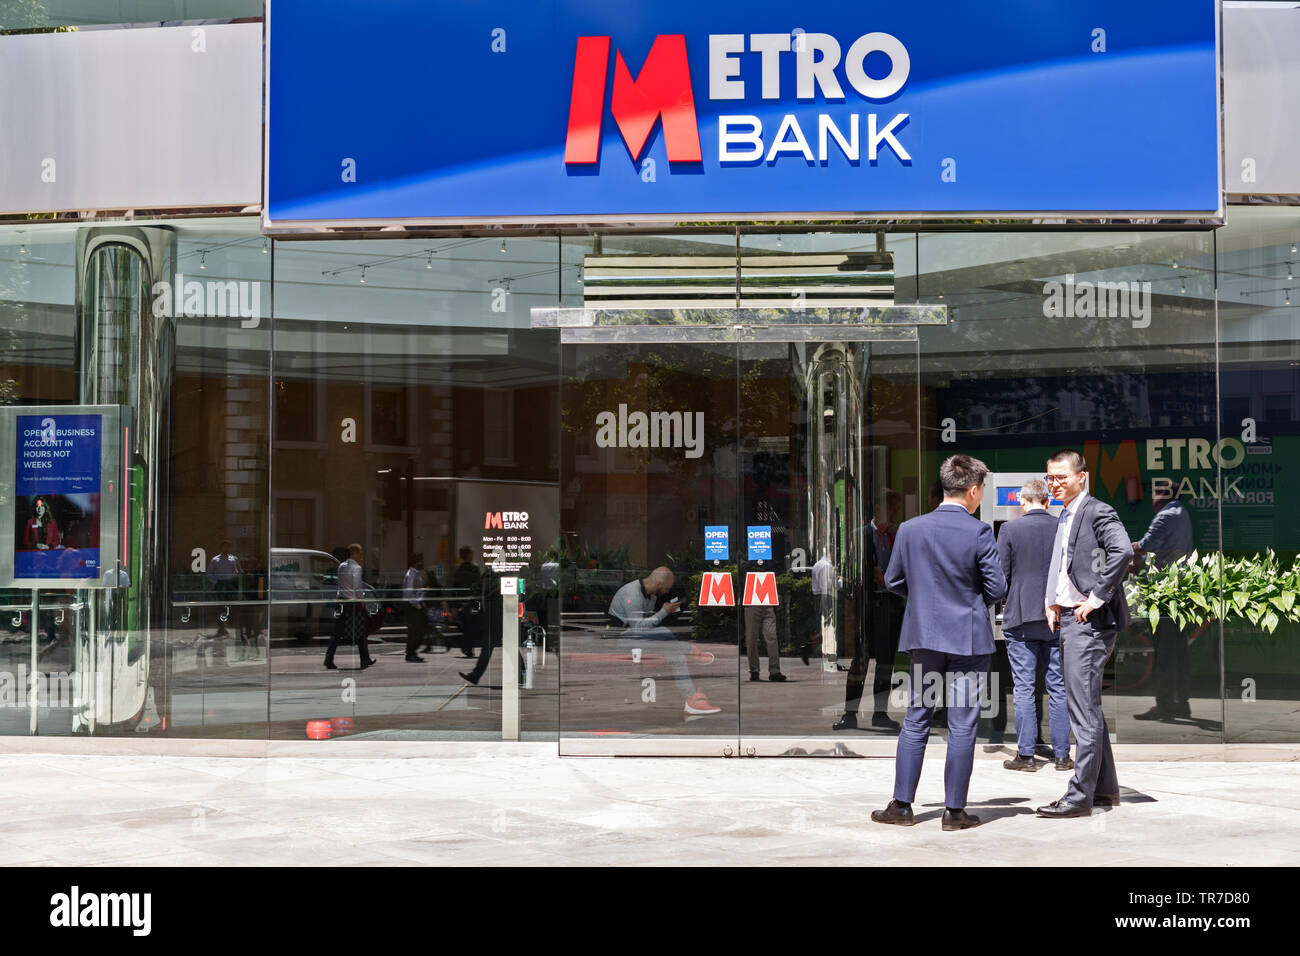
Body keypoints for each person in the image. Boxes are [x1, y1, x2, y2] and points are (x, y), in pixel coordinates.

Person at [871, 455, 1007, 831]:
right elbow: (997, 588)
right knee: (962, 725)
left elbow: (894, 579)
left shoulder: (911, 529)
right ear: (974, 490)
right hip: (968, 639)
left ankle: (901, 805)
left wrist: (924, 598)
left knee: (916, 719)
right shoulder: (979, 533)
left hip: (925, 637)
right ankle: (954, 811)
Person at [1037, 449, 1131, 818]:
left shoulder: (1097, 510)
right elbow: (1061, 563)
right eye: (1050, 478)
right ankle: (1104, 790)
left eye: (1061, 477)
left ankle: (1079, 798)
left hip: (1088, 624)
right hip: (1068, 619)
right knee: (1087, 708)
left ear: (1081, 477)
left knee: (1083, 712)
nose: (1055, 483)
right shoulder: (1064, 514)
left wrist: (1095, 598)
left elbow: (1122, 551)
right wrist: (1051, 599)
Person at [996, 478, 1072, 772]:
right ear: (1048, 501)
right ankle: (1063, 756)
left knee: (1024, 687)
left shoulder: (1010, 529)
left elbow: (1001, 575)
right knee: (1058, 687)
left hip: (1021, 617)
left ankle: (1026, 756)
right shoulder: (1061, 527)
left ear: (1022, 502)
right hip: (1057, 616)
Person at [605, 567, 720, 717]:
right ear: (659, 584)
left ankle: (691, 697)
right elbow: (638, 628)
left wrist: (665, 614)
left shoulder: (651, 596)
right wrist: (663, 612)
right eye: (666, 588)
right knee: (666, 635)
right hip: (620, 639)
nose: (667, 592)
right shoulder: (632, 594)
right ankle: (690, 651)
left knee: (674, 651)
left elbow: (648, 625)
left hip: (636, 637)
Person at [1132, 488, 1195, 721]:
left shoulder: (1166, 515)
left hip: (1165, 591)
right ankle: (1181, 702)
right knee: (1179, 649)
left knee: (1165, 651)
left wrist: (1127, 550)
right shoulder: (1183, 513)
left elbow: (1147, 543)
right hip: (1180, 590)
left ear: (1165, 497)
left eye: (1156, 494)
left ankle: (1164, 705)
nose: (1152, 499)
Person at [867, 490, 903, 730]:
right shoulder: (862, 535)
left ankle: (879, 713)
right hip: (868, 604)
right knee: (860, 660)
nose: (893, 514)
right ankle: (850, 714)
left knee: (886, 661)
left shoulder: (896, 535)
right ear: (879, 509)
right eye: (890, 509)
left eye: (895, 510)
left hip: (892, 603)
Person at [324, 543, 374, 669]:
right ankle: (364, 659)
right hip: (353, 603)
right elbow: (357, 587)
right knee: (361, 631)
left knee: (337, 632)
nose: (362, 556)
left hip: (341, 601)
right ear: (355, 553)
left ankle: (329, 658)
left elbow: (340, 585)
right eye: (360, 553)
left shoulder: (341, 566)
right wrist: (363, 601)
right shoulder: (356, 568)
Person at [452, 547, 483, 659]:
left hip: (461, 603)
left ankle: (466, 647)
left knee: (465, 627)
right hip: (471, 602)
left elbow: (454, 587)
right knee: (471, 626)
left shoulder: (458, 570)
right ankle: (468, 648)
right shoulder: (475, 568)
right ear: (468, 555)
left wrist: (456, 605)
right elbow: (479, 585)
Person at [206, 540, 241, 639]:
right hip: (220, 586)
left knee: (232, 606)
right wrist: (217, 583)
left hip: (231, 586)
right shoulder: (215, 560)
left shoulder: (234, 559)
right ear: (221, 548)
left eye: (228, 547)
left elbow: (239, 571)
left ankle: (232, 627)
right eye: (225, 546)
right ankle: (221, 628)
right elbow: (209, 573)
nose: (227, 548)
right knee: (221, 606)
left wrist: (236, 580)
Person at [403, 552, 428, 663]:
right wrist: (418, 605)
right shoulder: (411, 575)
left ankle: (412, 652)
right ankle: (410, 653)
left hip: (417, 604)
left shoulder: (416, 574)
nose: (422, 563)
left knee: (419, 630)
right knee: (415, 631)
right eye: (420, 560)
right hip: (413, 606)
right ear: (416, 562)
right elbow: (409, 593)